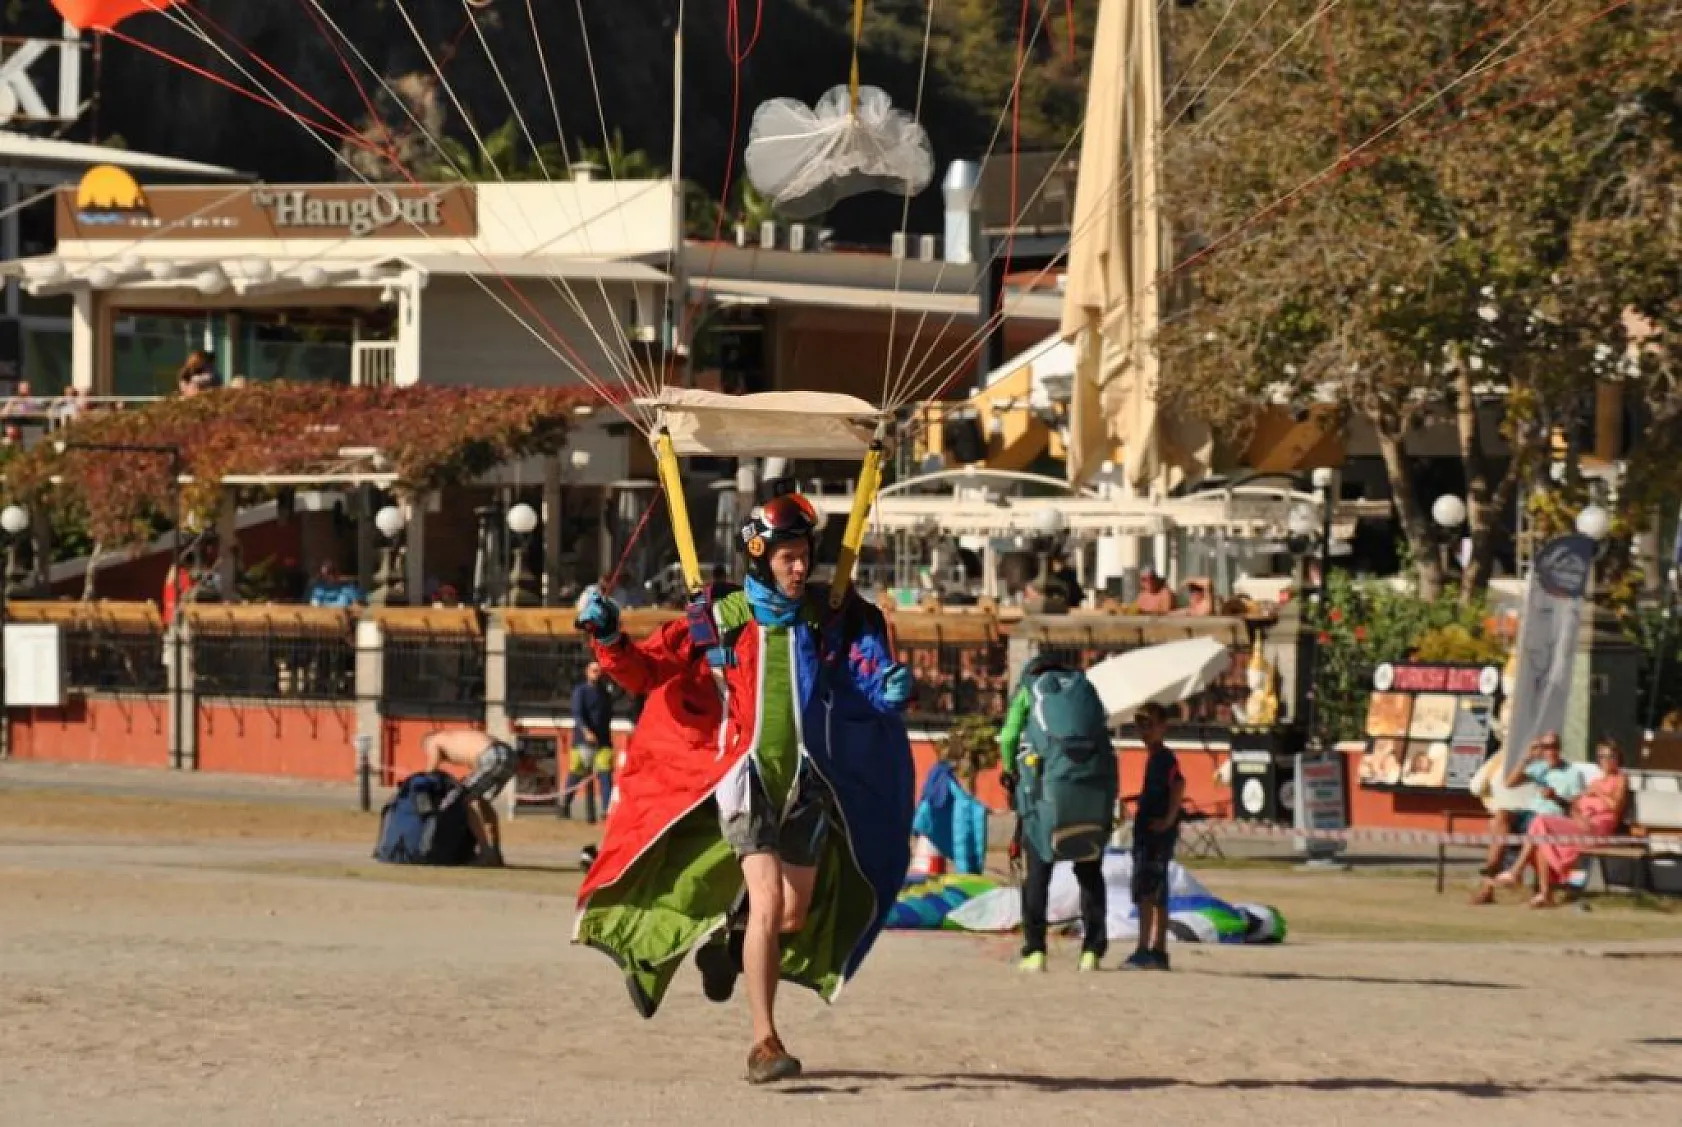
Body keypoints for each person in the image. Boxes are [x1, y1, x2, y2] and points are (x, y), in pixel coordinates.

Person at [571, 490, 916, 1085]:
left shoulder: (827, 615)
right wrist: (608, 638)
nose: (799, 566)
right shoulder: (720, 619)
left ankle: (727, 950)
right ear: (760, 556)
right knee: (765, 901)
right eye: (786, 556)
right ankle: (765, 1042)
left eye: (804, 554)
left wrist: (888, 687)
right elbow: (646, 671)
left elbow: (863, 673)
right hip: (745, 776)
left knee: (789, 916)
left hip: (807, 783)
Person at [998, 654, 1110, 973]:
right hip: (1090, 790)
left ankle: (1035, 951)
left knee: (1038, 874)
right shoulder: (1083, 689)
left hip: (1046, 793)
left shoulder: (1029, 690)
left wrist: (1008, 771)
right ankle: (1091, 952)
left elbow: (1008, 736)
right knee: (1089, 872)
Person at [1485, 738, 1629, 908]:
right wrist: (1577, 814)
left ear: (1618, 758)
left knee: (1540, 823)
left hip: (1599, 827)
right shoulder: (1593, 781)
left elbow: (1616, 806)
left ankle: (1516, 871)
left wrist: (1597, 793)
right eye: (1601, 757)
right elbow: (1575, 804)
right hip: (1580, 822)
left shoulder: (1620, 779)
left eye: (1610, 756)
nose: (1605, 760)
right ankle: (1543, 894)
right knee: (1537, 833)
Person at [1472, 730, 1583, 898]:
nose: (1549, 751)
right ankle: (1492, 869)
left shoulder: (1572, 773)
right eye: (1545, 747)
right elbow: (1509, 782)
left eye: (1553, 747)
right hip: (1531, 814)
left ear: (1559, 748)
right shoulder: (1540, 768)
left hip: (1552, 820)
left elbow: (1576, 808)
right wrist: (1527, 758)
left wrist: (1556, 798)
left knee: (1537, 828)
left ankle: (1512, 875)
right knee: (1501, 816)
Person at [1126, 702, 1184, 970]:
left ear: (1162, 726)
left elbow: (1178, 785)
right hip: (1148, 831)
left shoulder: (1165, 758)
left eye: (1149, 724)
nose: (1143, 731)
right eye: (1140, 724)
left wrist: (1169, 819)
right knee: (1153, 890)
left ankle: (1145, 947)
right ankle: (1157, 949)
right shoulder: (1153, 758)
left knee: (1149, 891)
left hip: (1155, 834)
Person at [421, 729, 519, 867]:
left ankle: (485, 853)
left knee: (463, 801)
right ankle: (495, 853)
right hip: (509, 755)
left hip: (492, 756)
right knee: (482, 802)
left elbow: (430, 772)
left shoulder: (434, 741)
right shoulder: (456, 737)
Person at [563, 660, 616, 822]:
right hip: (582, 741)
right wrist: (586, 732)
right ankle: (565, 804)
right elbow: (578, 714)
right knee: (577, 774)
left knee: (605, 775)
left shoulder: (605, 693)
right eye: (594, 670)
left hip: (603, 742)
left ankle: (606, 810)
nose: (597, 673)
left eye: (599, 670)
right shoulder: (581, 691)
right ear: (587, 672)